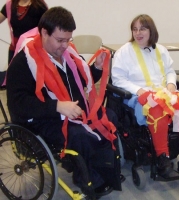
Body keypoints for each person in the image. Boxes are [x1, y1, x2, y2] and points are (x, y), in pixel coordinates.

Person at [6, 6, 122, 198]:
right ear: (44, 32)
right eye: (60, 40)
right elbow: (18, 104)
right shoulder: (23, 62)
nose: (65, 45)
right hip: (42, 119)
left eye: (68, 40)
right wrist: (57, 107)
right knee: (80, 135)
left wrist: (97, 69)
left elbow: (80, 82)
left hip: (72, 110)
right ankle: (89, 178)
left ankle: (104, 168)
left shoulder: (68, 55)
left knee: (109, 116)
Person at [111, 14, 179, 178]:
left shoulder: (160, 50)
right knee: (156, 107)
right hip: (136, 95)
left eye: (142, 29)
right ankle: (162, 158)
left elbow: (170, 71)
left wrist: (171, 84)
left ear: (151, 31)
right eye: (135, 29)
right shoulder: (124, 52)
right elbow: (117, 79)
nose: (138, 33)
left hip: (162, 92)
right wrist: (138, 90)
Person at [0, 0, 48, 88]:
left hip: (33, 52)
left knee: (31, 84)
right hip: (14, 51)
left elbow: (48, 26)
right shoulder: (9, 5)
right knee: (13, 83)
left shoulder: (40, 6)